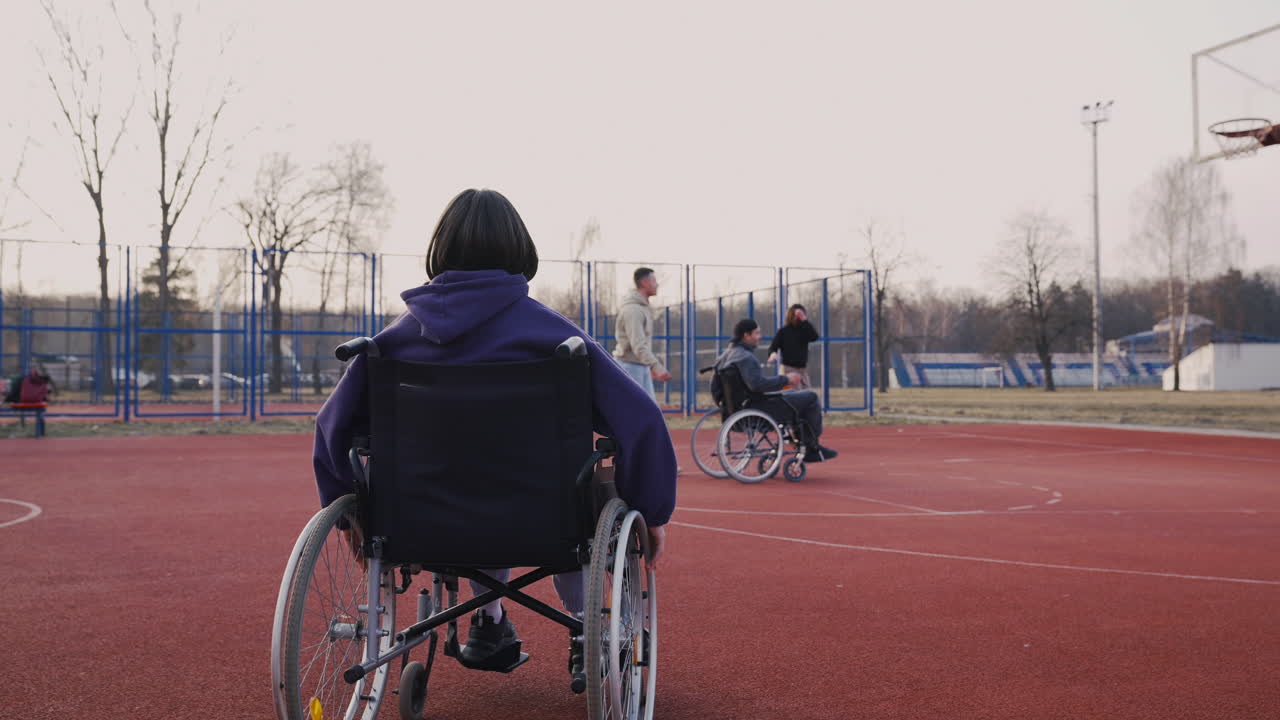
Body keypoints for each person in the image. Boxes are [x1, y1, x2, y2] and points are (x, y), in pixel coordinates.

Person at [312, 188, 677, 676]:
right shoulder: (559, 340)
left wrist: (344, 508)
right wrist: (652, 511)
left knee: (470, 479)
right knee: (579, 492)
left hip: (421, 521)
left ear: (439, 252)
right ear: (519, 252)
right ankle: (588, 623)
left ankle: (488, 618)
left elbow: (332, 427)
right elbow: (642, 421)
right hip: (544, 517)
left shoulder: (388, 347)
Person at [715, 317, 838, 463]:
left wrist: (724, 404)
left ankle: (802, 441)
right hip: (758, 408)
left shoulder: (724, 356)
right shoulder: (745, 357)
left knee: (794, 394)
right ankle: (810, 447)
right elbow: (757, 385)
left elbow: (715, 387)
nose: (759, 337)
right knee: (810, 397)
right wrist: (786, 379)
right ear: (746, 335)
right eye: (756, 333)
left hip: (737, 409)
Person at [613, 267, 672, 398]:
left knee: (648, 412)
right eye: (654, 281)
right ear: (645, 283)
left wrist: (649, 366)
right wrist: (657, 367)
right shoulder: (633, 310)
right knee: (637, 412)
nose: (657, 285)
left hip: (639, 366)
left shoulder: (642, 308)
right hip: (630, 367)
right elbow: (638, 345)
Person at [766, 304, 819, 389]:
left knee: (808, 394)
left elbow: (814, 337)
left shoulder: (804, 330)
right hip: (788, 369)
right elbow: (773, 347)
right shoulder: (784, 331)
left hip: (802, 369)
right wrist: (772, 354)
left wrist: (804, 320)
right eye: (796, 315)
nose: (797, 318)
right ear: (791, 316)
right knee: (789, 395)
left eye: (800, 315)